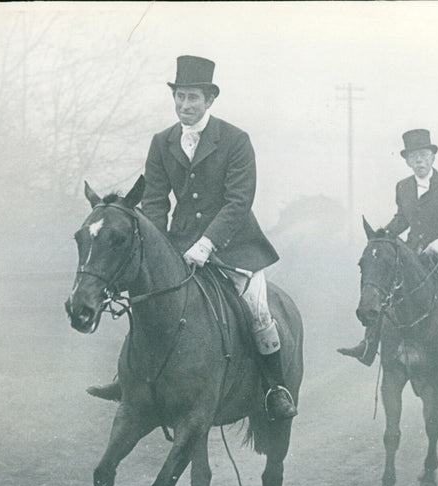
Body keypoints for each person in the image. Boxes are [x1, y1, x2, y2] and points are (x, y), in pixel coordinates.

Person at [88, 55, 297, 420]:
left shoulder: (235, 140)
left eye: (193, 98)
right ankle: (128, 379)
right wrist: (158, 245)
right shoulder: (161, 141)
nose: (185, 106)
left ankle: (274, 386)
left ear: (210, 100)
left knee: (258, 309)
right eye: (180, 97)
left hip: (236, 246)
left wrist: (207, 243)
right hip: (178, 244)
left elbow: (238, 202)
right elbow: (154, 200)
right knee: (146, 301)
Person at [338, 129, 438, 373]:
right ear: (408, 161)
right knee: (386, 285)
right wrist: (382, 238)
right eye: (414, 157)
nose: (419, 161)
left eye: (423, 155)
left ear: (432, 158)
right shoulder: (403, 187)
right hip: (415, 254)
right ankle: (368, 344)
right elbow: (402, 219)